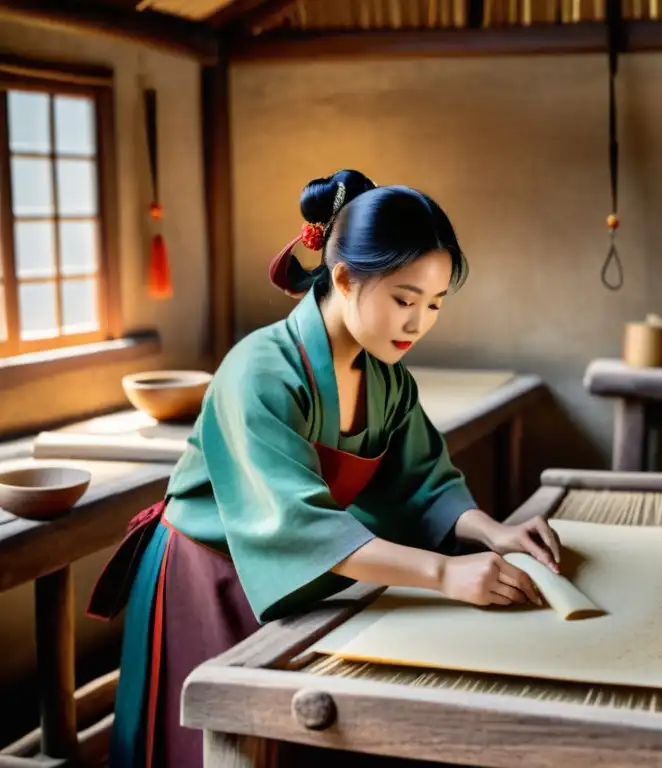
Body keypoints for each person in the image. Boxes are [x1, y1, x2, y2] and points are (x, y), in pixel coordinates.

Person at [87, 169, 562, 768]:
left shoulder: (388, 378)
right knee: (210, 741)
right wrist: (444, 574)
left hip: (296, 571)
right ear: (343, 277)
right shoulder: (259, 371)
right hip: (211, 572)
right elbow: (300, 526)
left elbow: (422, 481)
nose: (419, 324)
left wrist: (492, 531)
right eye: (403, 300)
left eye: (435, 304)